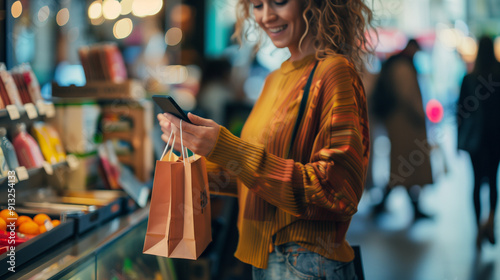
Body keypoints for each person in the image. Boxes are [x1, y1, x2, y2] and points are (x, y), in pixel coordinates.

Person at [158, 0, 373, 278]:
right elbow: (261, 180)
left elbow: (337, 192)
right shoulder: (274, 79)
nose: (267, 16)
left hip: (307, 262)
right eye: (258, 5)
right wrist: (195, 161)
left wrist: (225, 147)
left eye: (279, 2)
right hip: (267, 261)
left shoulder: (334, 72)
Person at [370, 39, 434, 221]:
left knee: (403, 169)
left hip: (400, 123)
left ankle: (406, 207)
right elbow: (408, 96)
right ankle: (400, 207)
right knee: (404, 168)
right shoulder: (403, 67)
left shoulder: (396, 63)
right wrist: (421, 114)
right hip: (404, 124)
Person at [457, 36, 500, 250]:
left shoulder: (469, 78)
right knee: (493, 180)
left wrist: (458, 141)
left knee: (475, 183)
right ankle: (491, 221)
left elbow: (460, 113)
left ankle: (477, 230)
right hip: (496, 137)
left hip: (475, 139)